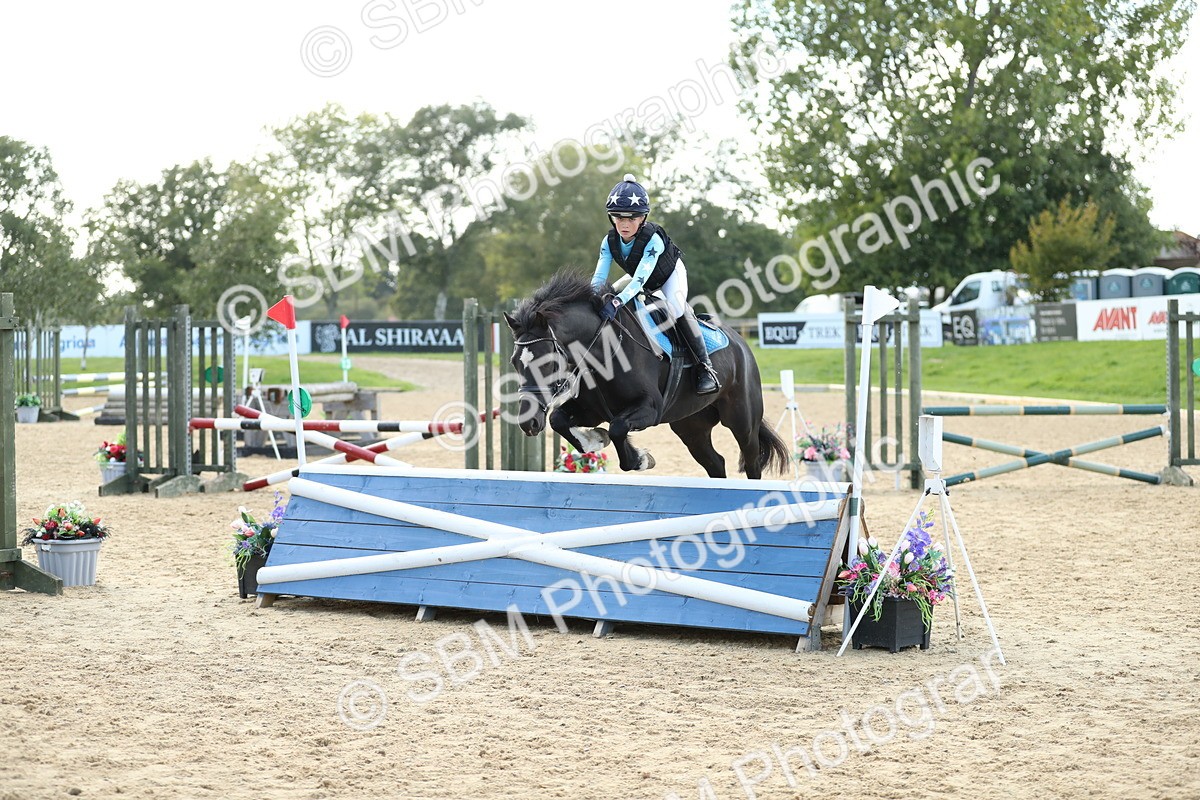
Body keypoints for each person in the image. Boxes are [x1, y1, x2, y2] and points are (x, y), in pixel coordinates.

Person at [590, 174, 720, 395]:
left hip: (668, 275)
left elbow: (641, 278)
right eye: (618, 218)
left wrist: (618, 301)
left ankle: (705, 367)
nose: (624, 224)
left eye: (631, 218)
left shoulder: (653, 239)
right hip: (639, 277)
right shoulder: (608, 241)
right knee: (606, 294)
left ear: (643, 218)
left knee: (676, 307)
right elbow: (598, 279)